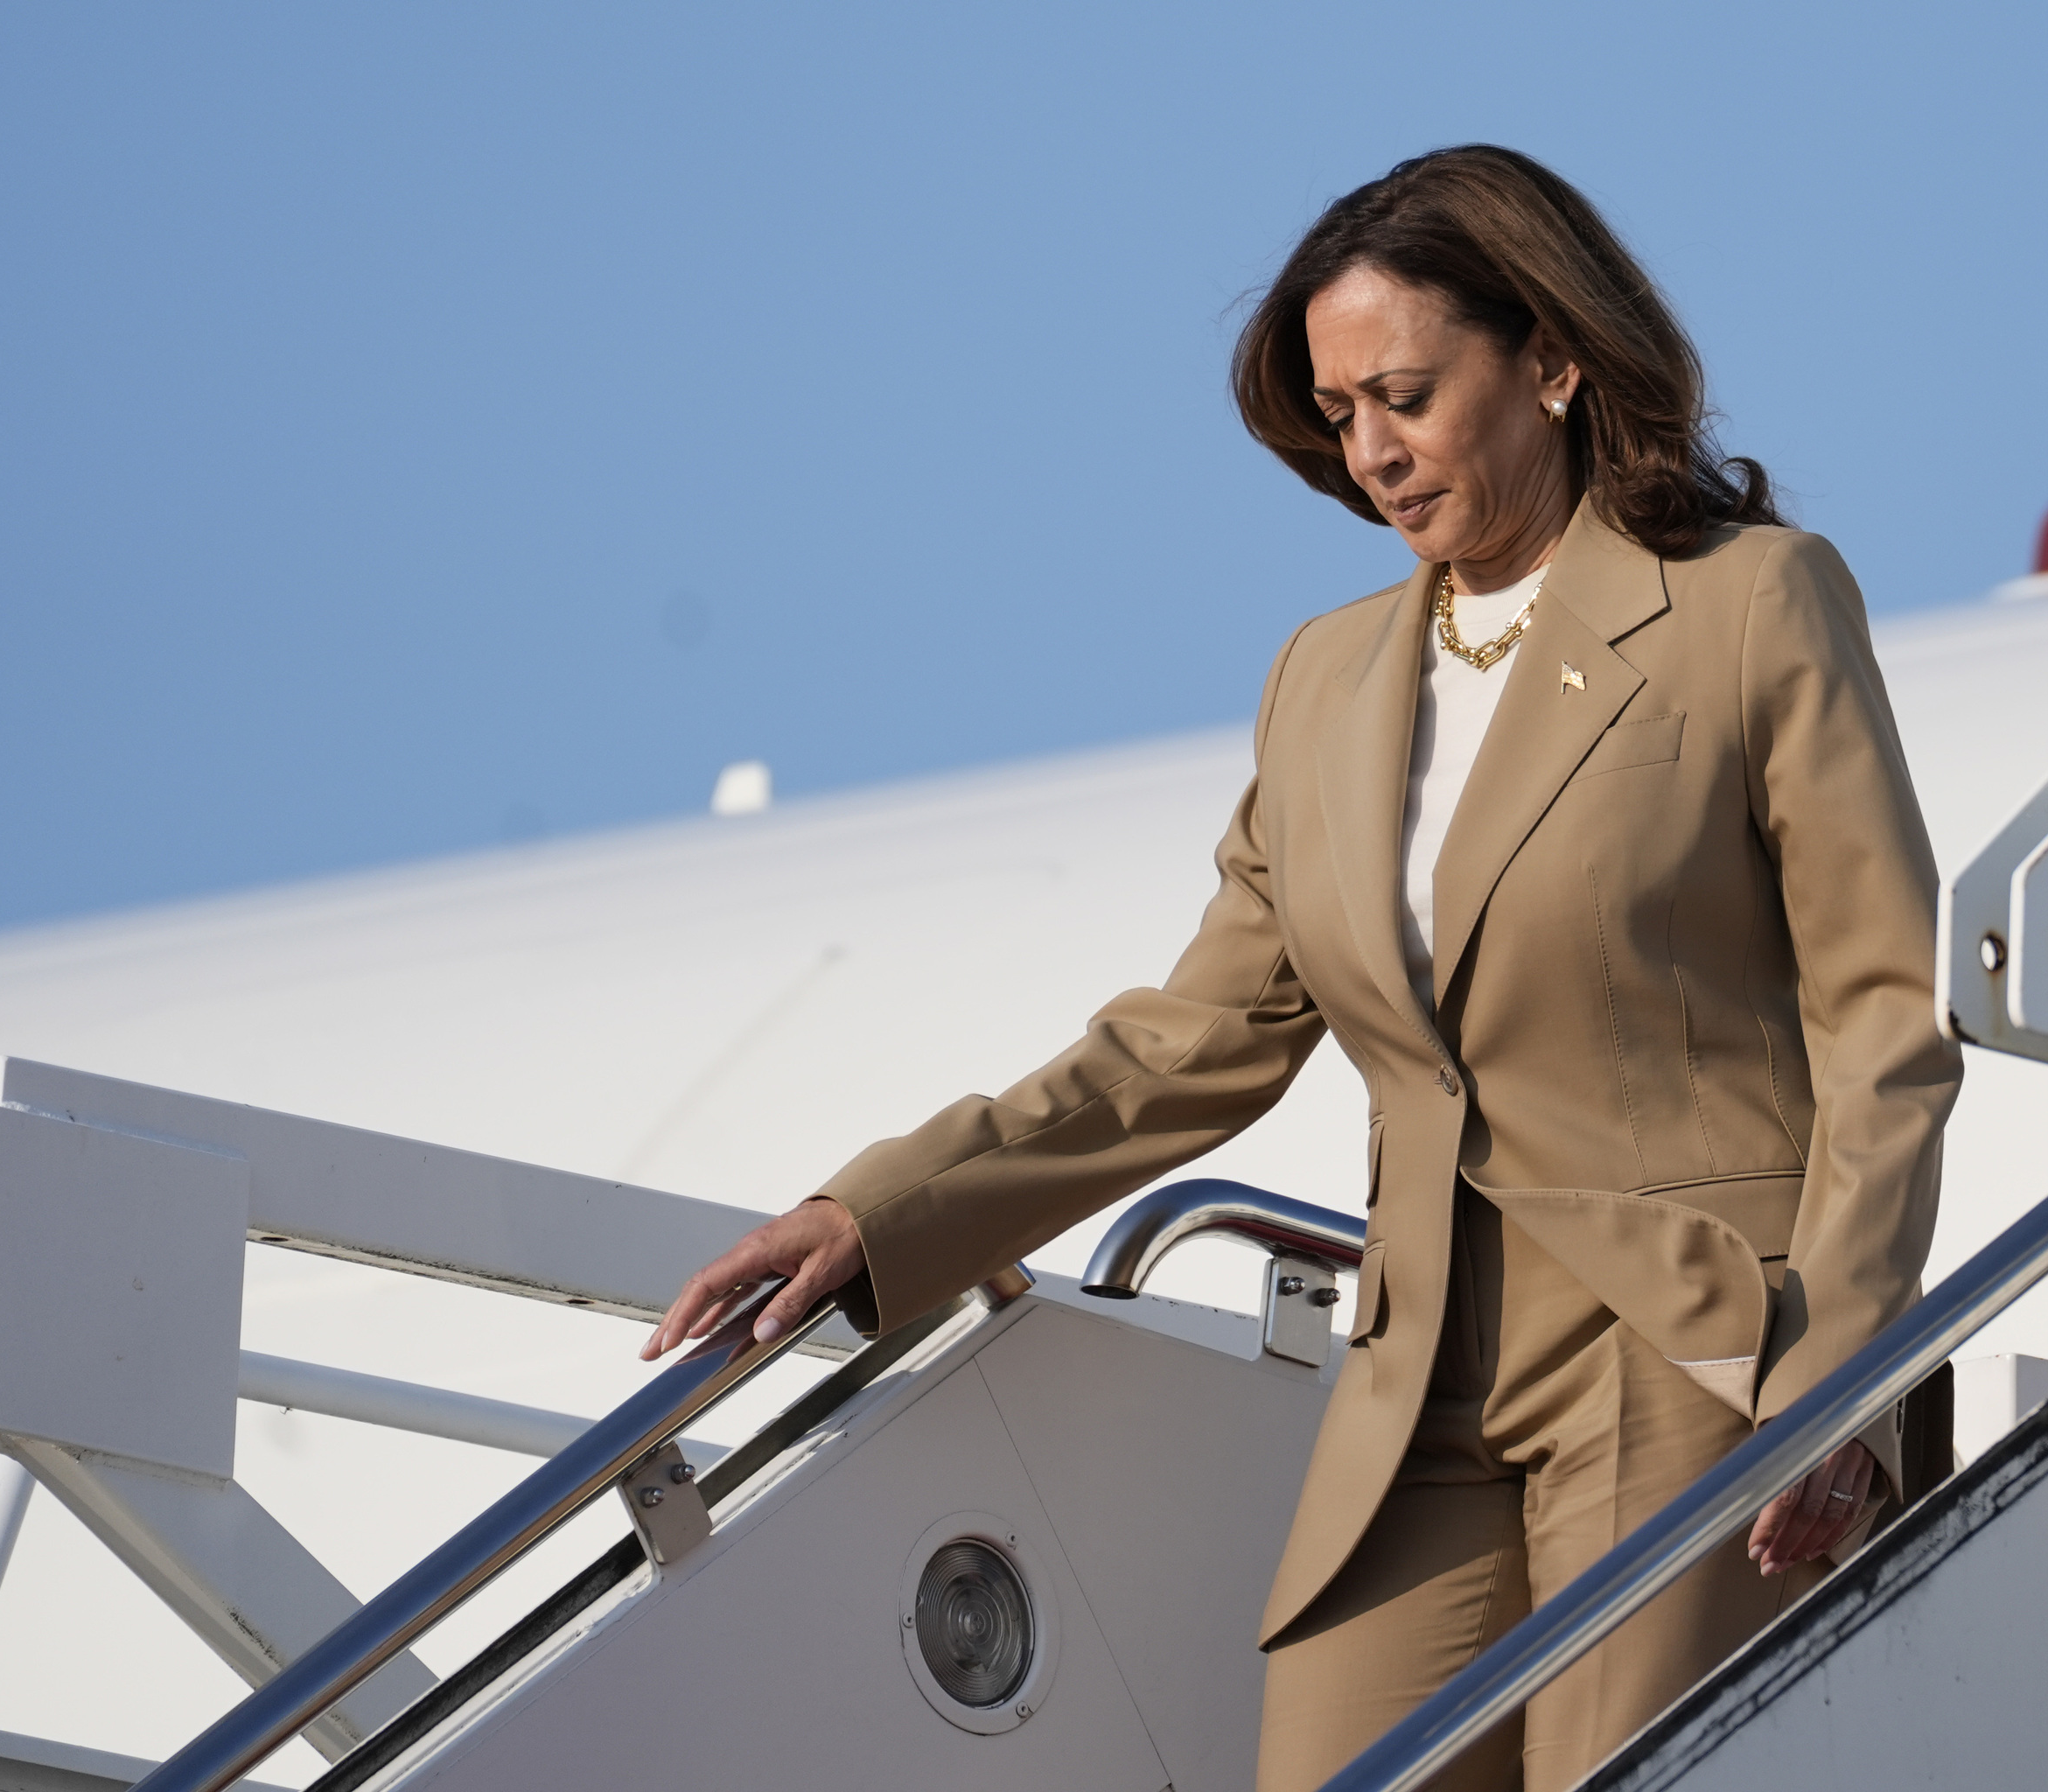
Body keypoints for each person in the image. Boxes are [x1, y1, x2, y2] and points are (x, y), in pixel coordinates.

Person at [644, 144, 1961, 1792]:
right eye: (1340, 414)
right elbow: (1192, 1040)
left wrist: (1842, 1366)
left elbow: (1883, 1026)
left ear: (1550, 358)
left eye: (1403, 393)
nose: (1375, 452)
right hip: (1417, 1390)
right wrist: (889, 1211)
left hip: (1689, 1348)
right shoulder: (1329, 679)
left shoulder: (1748, 604)